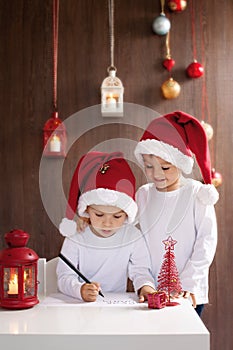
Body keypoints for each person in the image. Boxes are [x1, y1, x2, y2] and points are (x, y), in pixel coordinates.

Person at [134, 110, 219, 316]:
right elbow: (135, 243)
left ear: (180, 164)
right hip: (152, 292)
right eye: (149, 166)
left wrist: (188, 285)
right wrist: (143, 282)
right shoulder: (144, 195)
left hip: (189, 295)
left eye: (165, 167)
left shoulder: (196, 194)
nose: (156, 174)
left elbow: (205, 243)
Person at [57, 151, 156, 302]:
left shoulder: (132, 236)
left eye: (117, 216)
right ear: (87, 210)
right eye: (99, 215)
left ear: (127, 214)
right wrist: (79, 289)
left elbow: (140, 270)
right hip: (80, 305)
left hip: (115, 306)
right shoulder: (77, 235)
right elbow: (64, 276)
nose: (107, 223)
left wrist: (146, 287)